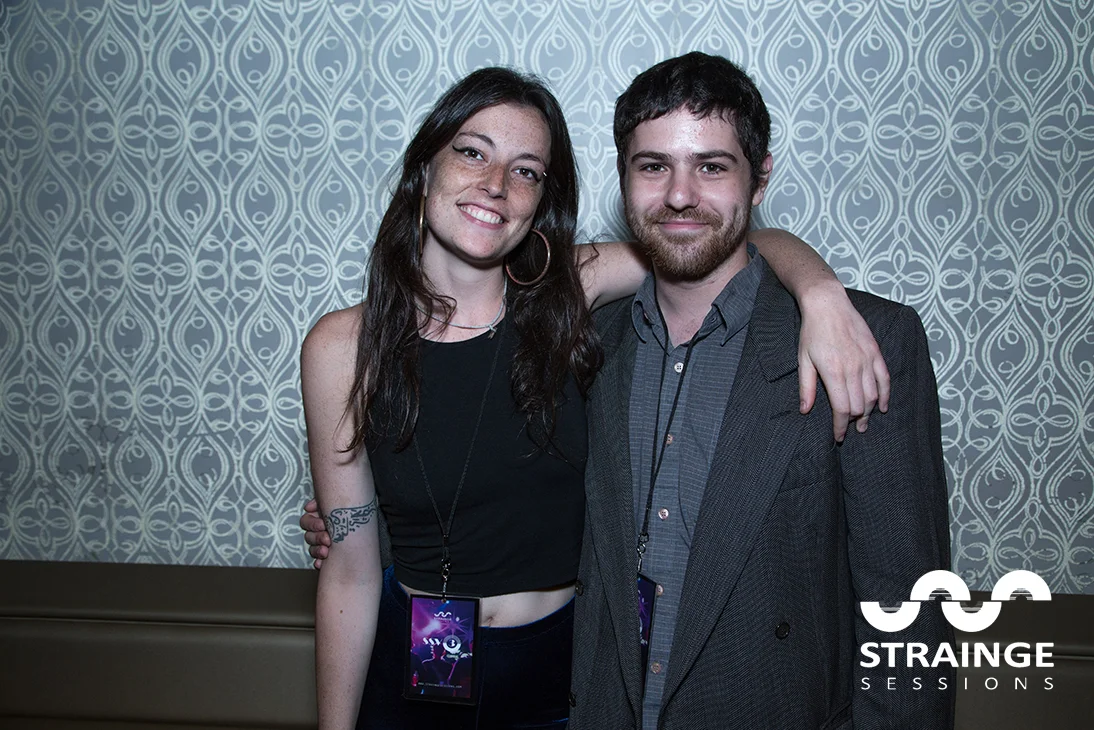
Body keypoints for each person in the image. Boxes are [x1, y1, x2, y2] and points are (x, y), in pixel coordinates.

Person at [301, 66, 891, 730]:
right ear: (423, 167)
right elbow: (349, 572)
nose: (495, 184)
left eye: (526, 170)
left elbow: (716, 236)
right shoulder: (341, 348)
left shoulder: (566, 293)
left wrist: (819, 291)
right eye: (472, 152)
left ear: (540, 200)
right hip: (414, 669)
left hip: (561, 680)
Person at [562, 53, 954, 728]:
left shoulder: (863, 341)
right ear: (623, 177)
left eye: (712, 167)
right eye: (653, 166)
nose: (679, 194)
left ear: (760, 177)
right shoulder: (590, 342)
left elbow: (907, 605)